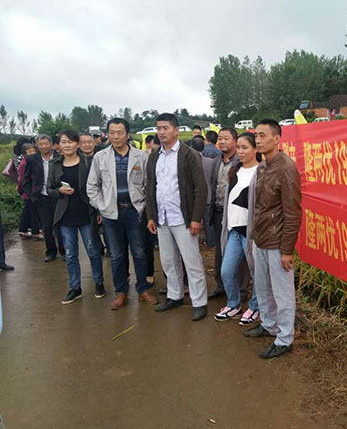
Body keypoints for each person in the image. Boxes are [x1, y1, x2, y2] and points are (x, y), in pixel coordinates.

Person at [244, 119, 302, 359]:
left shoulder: (287, 168)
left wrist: (287, 250)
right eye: (256, 135)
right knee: (262, 287)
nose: (257, 140)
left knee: (282, 293)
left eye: (262, 135)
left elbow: (293, 213)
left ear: (277, 138)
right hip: (260, 238)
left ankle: (285, 338)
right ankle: (269, 325)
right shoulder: (262, 167)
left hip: (277, 243)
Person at [87, 118, 157, 310]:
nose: (115, 136)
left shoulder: (140, 156)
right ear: (108, 135)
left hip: (135, 212)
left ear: (127, 135)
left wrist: (145, 207)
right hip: (111, 214)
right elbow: (92, 186)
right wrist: (101, 206)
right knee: (117, 255)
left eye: (120, 132)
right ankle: (121, 291)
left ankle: (143, 289)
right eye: (112, 132)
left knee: (139, 252)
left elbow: (149, 184)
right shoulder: (100, 157)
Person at [146, 113, 209, 321]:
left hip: (183, 218)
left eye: (165, 128)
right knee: (168, 261)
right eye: (158, 128)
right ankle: (174, 296)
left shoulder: (188, 154)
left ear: (176, 130)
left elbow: (200, 188)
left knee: (192, 261)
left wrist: (196, 218)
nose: (161, 132)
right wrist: (151, 215)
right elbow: (150, 187)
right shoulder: (155, 156)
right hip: (162, 218)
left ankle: (199, 302)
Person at [47, 130, 105, 304]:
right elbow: (49, 189)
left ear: (77, 144)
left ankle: (99, 282)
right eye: (63, 142)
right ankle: (75, 287)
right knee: (71, 254)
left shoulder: (88, 162)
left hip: (86, 214)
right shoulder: (54, 165)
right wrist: (59, 191)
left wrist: (99, 210)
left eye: (71, 142)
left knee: (93, 251)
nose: (67, 145)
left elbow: (98, 186)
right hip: (65, 216)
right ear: (58, 145)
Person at [214, 132, 261, 325]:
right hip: (233, 230)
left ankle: (255, 307)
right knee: (226, 270)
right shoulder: (235, 170)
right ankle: (233, 304)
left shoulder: (261, 172)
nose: (240, 152)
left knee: (256, 272)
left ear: (255, 149)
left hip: (251, 232)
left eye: (245, 148)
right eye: (239, 148)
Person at [207, 128, 249, 300]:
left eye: (226, 138)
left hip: (237, 213)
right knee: (220, 250)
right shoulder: (216, 161)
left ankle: (242, 289)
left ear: (235, 141)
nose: (222, 142)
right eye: (220, 138)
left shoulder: (242, 161)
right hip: (219, 212)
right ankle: (221, 285)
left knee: (241, 255)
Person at [23, 134, 65, 262]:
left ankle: (64, 251)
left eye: (46, 144)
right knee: (47, 226)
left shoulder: (60, 157)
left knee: (61, 225)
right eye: (40, 144)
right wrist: (32, 196)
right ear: (36, 145)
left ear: (51, 144)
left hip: (58, 196)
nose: (44, 146)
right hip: (42, 197)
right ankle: (51, 251)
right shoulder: (31, 159)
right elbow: (26, 180)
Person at [17, 143, 42, 240]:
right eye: (29, 152)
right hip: (29, 192)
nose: (32, 153)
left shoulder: (32, 161)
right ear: (25, 153)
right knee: (34, 212)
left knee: (27, 211)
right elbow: (22, 180)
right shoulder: (25, 163)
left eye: (33, 151)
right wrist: (21, 190)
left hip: (30, 191)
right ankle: (35, 232)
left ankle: (23, 229)